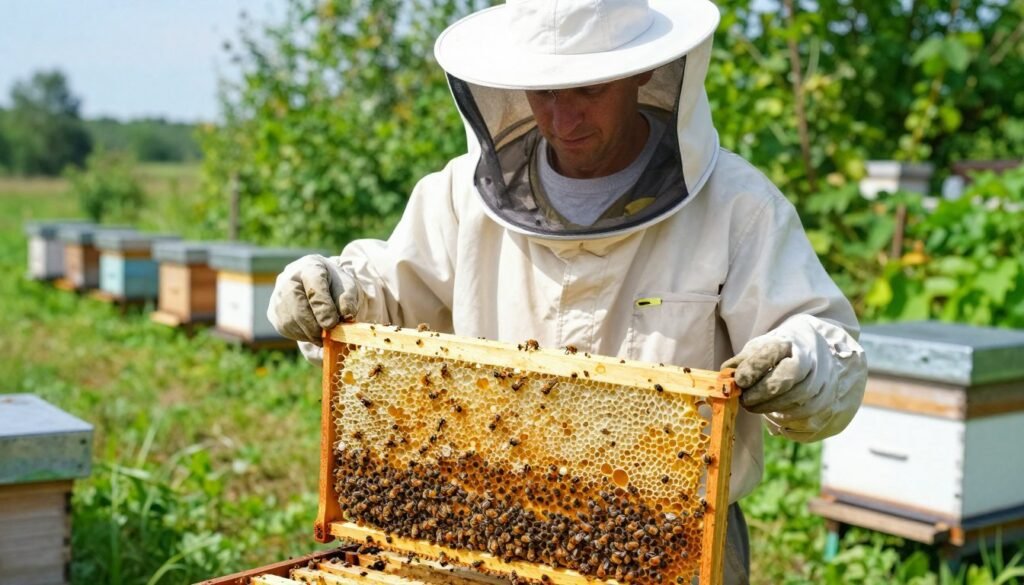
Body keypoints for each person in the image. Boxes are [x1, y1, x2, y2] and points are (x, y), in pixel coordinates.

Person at [268, 0, 868, 582]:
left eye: (588, 90)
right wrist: (331, 285)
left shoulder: (739, 206)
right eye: (545, 92)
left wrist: (803, 362)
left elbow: (824, 343)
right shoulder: (457, 196)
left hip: (671, 545)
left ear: (644, 71)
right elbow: (385, 296)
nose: (563, 118)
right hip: (488, 529)